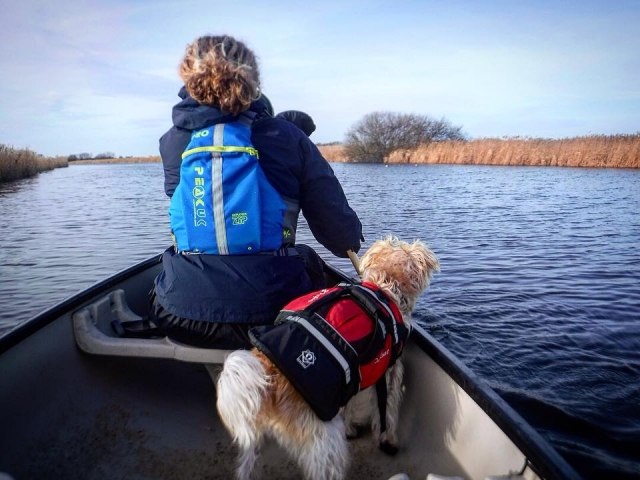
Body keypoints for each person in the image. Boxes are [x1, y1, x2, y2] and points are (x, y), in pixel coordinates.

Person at [150, 34, 362, 350]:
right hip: (274, 316)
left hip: (180, 316)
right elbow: (337, 230)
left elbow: (183, 201)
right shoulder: (288, 137)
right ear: (253, 81)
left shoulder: (172, 141)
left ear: (189, 77)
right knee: (309, 262)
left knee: (168, 276)